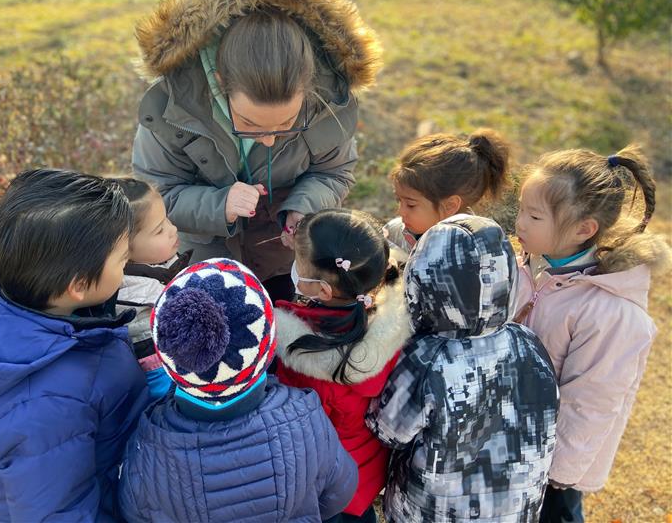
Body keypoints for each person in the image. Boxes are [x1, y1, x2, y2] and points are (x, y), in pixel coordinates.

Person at [132, 0, 382, 302]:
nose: (267, 140)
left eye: (286, 124)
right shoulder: (171, 107)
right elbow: (156, 196)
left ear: (309, 87)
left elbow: (335, 171)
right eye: (249, 124)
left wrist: (303, 205)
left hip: (285, 264)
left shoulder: (331, 99)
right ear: (219, 82)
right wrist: (219, 204)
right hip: (204, 265)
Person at [0, 169, 150, 522]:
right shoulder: (42, 406)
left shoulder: (24, 288)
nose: (126, 268)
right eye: (123, 260)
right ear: (78, 285)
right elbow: (56, 512)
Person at [118, 258, 359, 522]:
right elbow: (339, 492)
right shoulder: (305, 419)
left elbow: (135, 512)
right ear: (267, 350)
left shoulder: (148, 447)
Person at [514, 146, 671, 523]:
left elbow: (591, 403)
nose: (519, 222)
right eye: (521, 208)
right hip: (518, 440)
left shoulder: (610, 312)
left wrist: (558, 472)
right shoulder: (527, 262)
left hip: (555, 464)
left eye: (533, 216)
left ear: (584, 230)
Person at [367, 215, 559, 522]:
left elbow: (389, 430)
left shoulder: (427, 357)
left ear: (423, 282)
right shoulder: (528, 341)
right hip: (513, 509)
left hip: (436, 512)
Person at [274, 208, 410, 522]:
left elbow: (302, 429)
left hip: (330, 480)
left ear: (322, 290)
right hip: (367, 469)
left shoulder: (300, 354)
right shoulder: (392, 321)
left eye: (298, 262)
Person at [111, 177, 191, 400]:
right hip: (161, 372)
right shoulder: (132, 297)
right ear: (123, 248)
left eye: (167, 219)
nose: (173, 229)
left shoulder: (156, 265)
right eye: (159, 230)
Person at [385, 128, 510, 263]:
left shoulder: (474, 255)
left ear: (450, 205)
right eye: (399, 200)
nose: (400, 212)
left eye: (411, 205)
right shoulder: (393, 234)